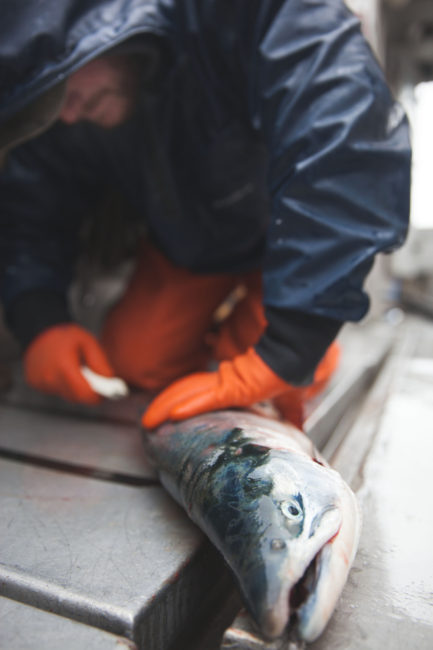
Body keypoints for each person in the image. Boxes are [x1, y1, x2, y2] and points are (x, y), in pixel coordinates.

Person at [0, 0, 410, 430]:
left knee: (287, 378)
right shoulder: (67, 107)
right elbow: (33, 204)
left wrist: (292, 345)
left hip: (286, 249)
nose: (64, 113)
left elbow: (344, 137)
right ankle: (227, 336)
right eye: (45, 98)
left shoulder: (244, 12)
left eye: (61, 76)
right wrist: (40, 318)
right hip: (187, 251)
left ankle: (303, 341)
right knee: (133, 363)